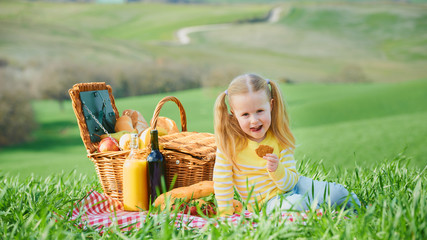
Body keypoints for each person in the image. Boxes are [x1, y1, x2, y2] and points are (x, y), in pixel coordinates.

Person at [213, 73, 360, 216]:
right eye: (245, 114)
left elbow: (289, 184)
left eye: (260, 111)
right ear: (234, 113)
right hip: (267, 203)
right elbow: (222, 181)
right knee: (298, 204)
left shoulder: (279, 137)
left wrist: (277, 169)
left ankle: (358, 212)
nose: (254, 120)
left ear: (271, 106)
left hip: (295, 185)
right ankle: (321, 211)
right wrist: (225, 214)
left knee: (337, 194)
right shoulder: (229, 145)